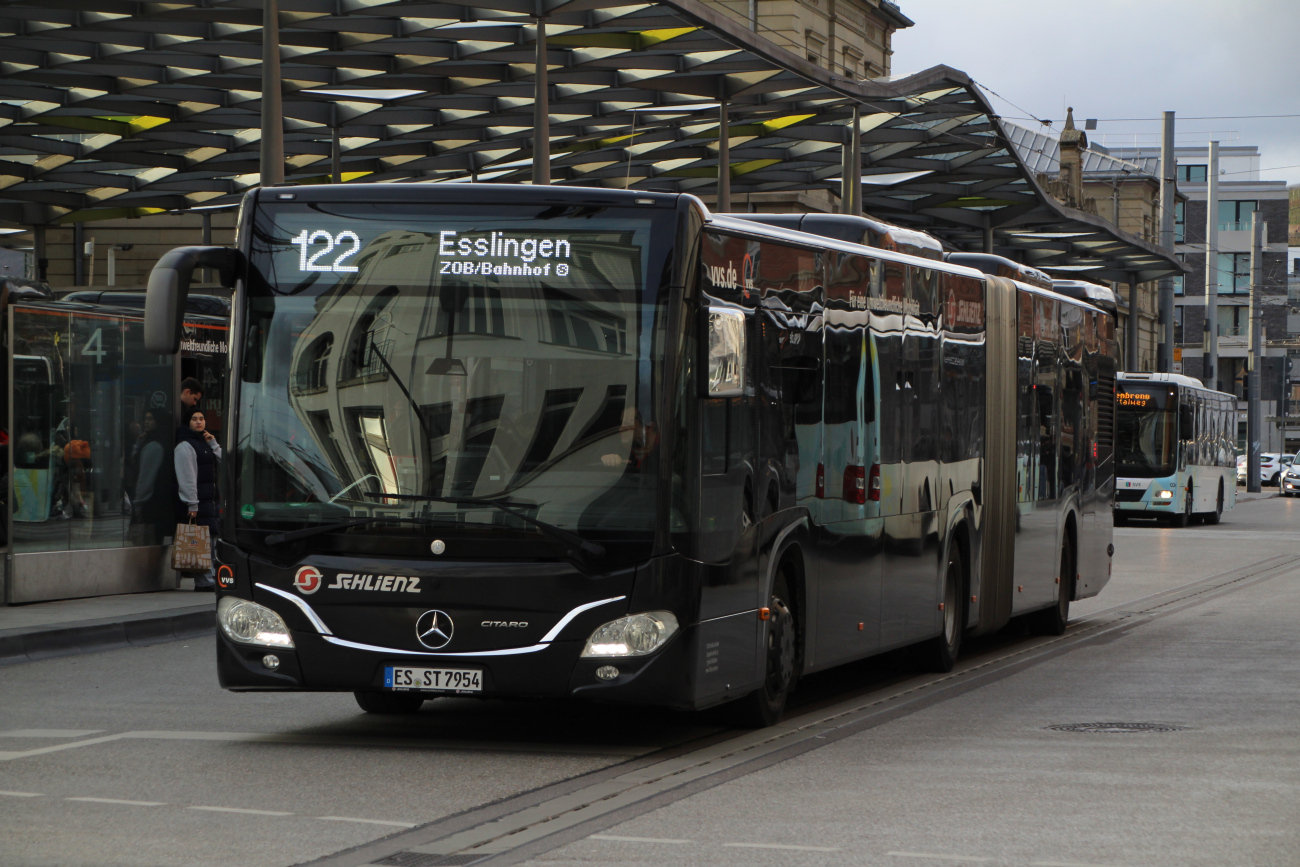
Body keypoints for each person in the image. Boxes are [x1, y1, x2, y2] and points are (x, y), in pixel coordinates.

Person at [175, 408, 221, 591]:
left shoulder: (204, 443)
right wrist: (192, 503)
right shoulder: (185, 446)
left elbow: (225, 463)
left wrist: (214, 445)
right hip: (198, 502)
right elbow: (187, 477)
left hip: (210, 501)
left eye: (202, 419)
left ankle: (209, 578)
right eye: (194, 419)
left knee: (210, 541)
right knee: (201, 542)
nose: (199, 422)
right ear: (188, 422)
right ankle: (204, 580)